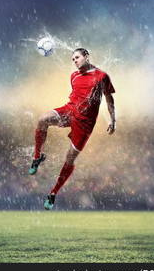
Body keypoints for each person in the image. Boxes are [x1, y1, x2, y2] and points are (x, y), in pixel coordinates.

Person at [29, 48, 116, 210]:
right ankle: (36, 157)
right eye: (72, 59)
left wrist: (112, 119)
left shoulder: (101, 76)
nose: (74, 61)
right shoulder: (74, 76)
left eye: (77, 57)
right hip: (70, 111)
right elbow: (77, 95)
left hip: (85, 124)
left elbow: (109, 99)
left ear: (86, 57)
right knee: (42, 120)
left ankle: (53, 193)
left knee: (69, 158)